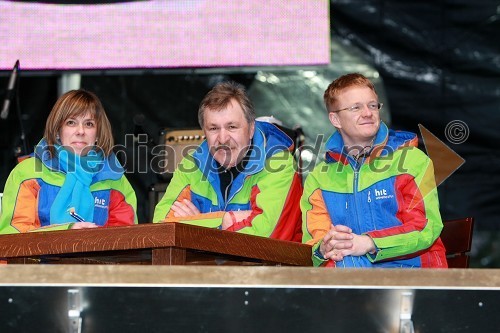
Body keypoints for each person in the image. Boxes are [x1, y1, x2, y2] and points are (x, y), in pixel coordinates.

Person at [301, 73, 447, 268]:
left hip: (413, 276)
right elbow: (312, 245)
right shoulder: (319, 178)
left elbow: (426, 228)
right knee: (343, 262)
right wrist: (324, 249)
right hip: (352, 276)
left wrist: (370, 243)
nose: (368, 113)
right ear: (335, 119)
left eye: (372, 105)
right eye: (356, 107)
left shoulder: (412, 160)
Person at [153, 81, 302, 241]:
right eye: (213, 128)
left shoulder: (278, 163)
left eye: (232, 127)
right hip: (206, 266)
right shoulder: (192, 164)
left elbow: (265, 239)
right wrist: (225, 220)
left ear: (251, 129)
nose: (223, 138)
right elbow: (163, 228)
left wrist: (196, 224)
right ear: (204, 132)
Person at [0, 89, 137, 234]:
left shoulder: (115, 180)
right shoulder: (27, 172)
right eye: (71, 123)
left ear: (98, 134)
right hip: (39, 257)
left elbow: (125, 239)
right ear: (57, 131)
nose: (80, 131)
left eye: (89, 124)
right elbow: (13, 235)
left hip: (97, 256)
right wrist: (66, 231)